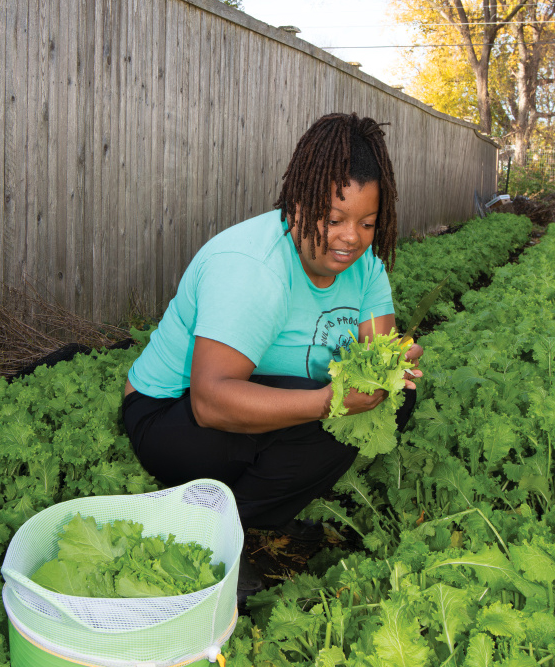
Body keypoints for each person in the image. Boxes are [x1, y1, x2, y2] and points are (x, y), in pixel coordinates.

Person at [121, 112, 424, 600]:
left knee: (397, 398)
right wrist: (328, 403)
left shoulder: (365, 264)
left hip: (259, 393)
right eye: (334, 219)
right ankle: (206, 536)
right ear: (299, 204)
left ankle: (236, 514)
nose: (351, 238)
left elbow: (376, 350)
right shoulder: (252, 267)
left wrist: (392, 365)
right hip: (170, 415)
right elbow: (210, 402)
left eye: (367, 222)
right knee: (323, 420)